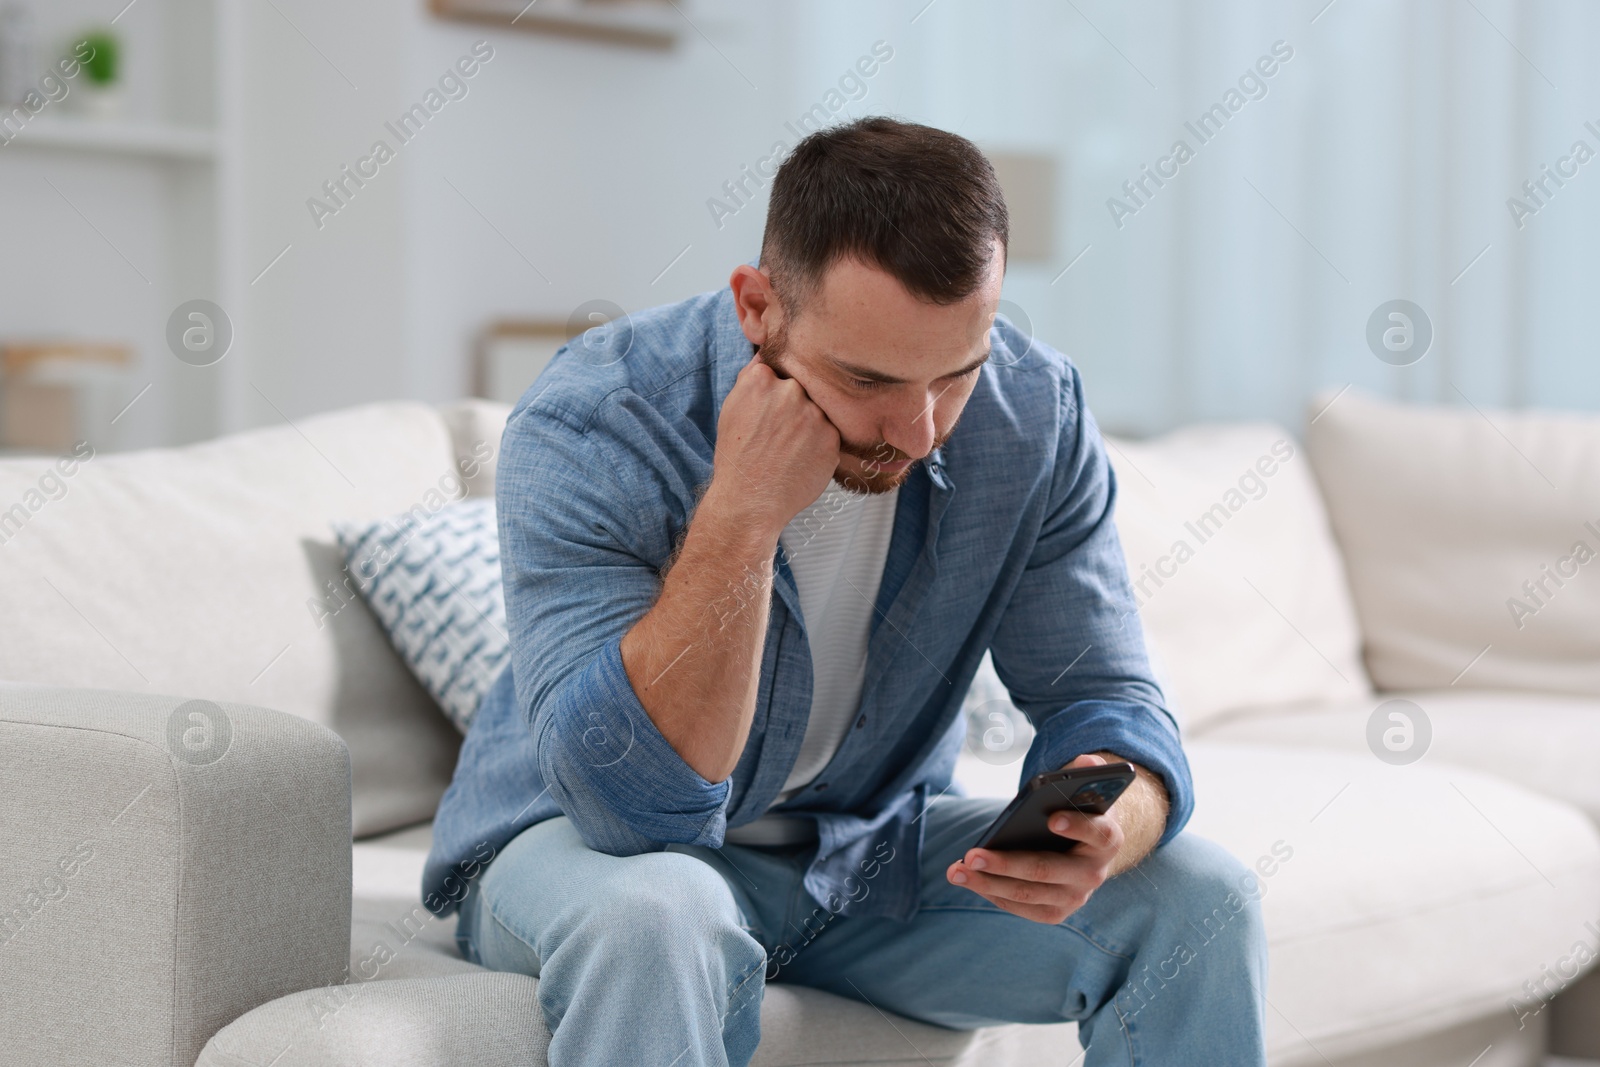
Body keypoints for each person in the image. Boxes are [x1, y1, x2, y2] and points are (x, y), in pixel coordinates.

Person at [423, 115, 1268, 1066]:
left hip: (861, 856)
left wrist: (1113, 821)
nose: (917, 430)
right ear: (758, 307)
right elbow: (634, 812)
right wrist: (741, 515)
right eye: (867, 378)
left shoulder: (1033, 417)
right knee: (664, 912)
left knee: (1200, 899)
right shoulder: (600, 418)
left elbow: (1102, 697)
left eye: (957, 374)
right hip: (586, 849)